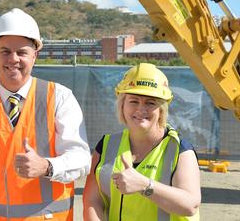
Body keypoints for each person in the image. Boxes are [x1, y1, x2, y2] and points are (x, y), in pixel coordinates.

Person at [0, 8, 90, 221]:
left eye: (22, 52)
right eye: (5, 51)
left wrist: (47, 166)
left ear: (35, 55)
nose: (13, 59)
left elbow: (81, 159)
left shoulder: (60, 98)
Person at [83, 63, 201, 221]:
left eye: (150, 103)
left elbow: (190, 205)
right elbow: (93, 201)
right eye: (133, 101)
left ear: (161, 110)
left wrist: (145, 185)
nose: (141, 109)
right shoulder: (106, 146)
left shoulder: (180, 150)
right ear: (122, 105)